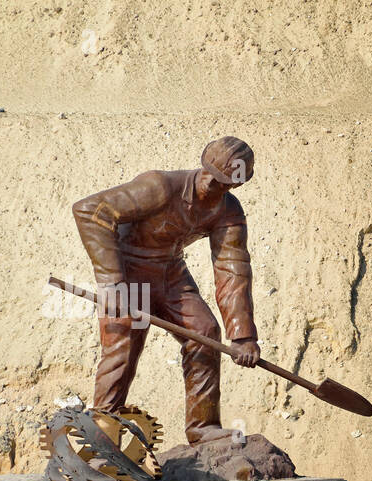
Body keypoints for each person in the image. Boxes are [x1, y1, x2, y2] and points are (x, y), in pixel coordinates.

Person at [72, 136, 260, 444]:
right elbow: (90, 211)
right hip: (129, 273)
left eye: (228, 184)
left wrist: (243, 335)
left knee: (206, 332)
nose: (218, 188)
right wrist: (113, 283)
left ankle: (203, 427)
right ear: (204, 168)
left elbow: (232, 267)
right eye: (215, 179)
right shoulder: (158, 186)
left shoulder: (229, 211)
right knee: (123, 346)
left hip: (172, 276)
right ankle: (102, 433)